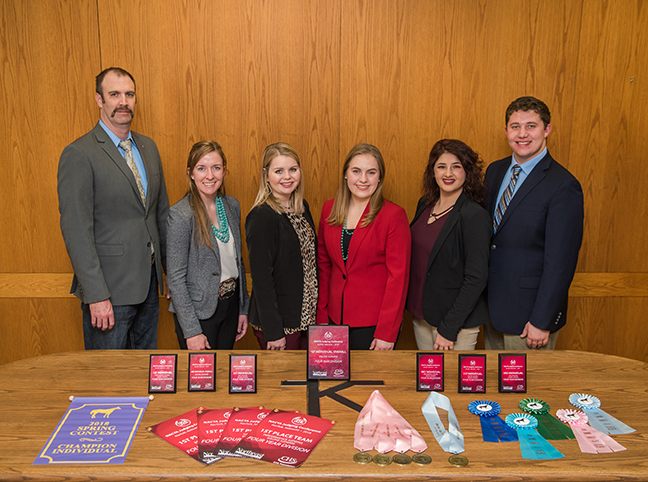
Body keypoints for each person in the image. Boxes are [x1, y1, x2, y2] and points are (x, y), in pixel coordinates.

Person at [57, 67, 170, 350]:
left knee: (145, 379)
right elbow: (76, 231)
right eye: (114, 94)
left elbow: (160, 215)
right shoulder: (80, 154)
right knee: (107, 385)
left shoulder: (148, 148)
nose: (123, 101)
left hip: (149, 287)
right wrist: (96, 296)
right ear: (99, 99)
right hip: (109, 294)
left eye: (129, 94)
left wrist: (170, 276)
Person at [484, 96, 584, 350]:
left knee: (526, 390)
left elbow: (560, 262)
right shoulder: (495, 172)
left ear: (547, 129)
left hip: (530, 319)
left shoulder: (563, 186)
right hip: (492, 309)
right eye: (515, 126)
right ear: (506, 130)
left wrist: (542, 320)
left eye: (531, 126)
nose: (522, 134)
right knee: (493, 389)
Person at [317, 143, 411, 350]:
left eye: (371, 172)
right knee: (331, 381)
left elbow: (399, 278)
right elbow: (324, 267)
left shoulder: (393, 215)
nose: (363, 179)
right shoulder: (329, 209)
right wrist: (322, 318)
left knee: (368, 382)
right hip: (333, 318)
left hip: (373, 324)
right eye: (356, 171)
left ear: (380, 178)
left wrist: (387, 332)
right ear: (345, 175)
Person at [407, 139, 491, 351]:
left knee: (451, 384)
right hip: (422, 315)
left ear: (467, 172)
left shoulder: (474, 216)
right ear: (433, 171)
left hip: (455, 324)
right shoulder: (425, 204)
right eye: (441, 166)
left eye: (456, 167)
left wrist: (449, 328)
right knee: (429, 383)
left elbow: (476, 277)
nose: (448, 174)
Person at [166, 141, 249, 350]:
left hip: (230, 307)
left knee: (223, 373)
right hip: (199, 313)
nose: (210, 176)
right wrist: (192, 331)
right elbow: (175, 278)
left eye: (216, 168)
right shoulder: (181, 215)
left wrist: (242, 308)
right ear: (191, 173)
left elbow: (239, 262)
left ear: (224, 170)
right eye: (201, 168)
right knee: (201, 380)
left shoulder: (232, 205)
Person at [245, 143, 318, 350]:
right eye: (279, 171)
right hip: (280, 326)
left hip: (305, 320)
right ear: (266, 175)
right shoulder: (262, 216)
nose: (287, 176)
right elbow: (262, 280)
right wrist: (274, 332)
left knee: (305, 381)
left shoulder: (302, 209)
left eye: (292, 170)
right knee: (282, 380)